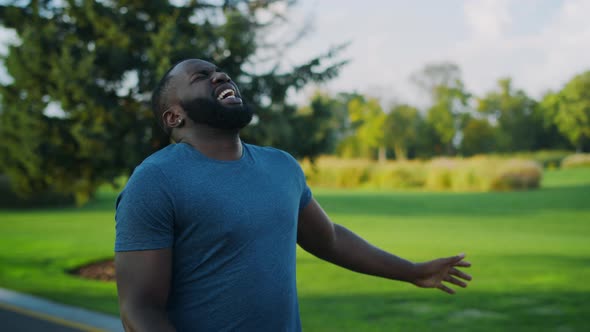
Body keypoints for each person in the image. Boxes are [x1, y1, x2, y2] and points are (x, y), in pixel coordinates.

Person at [114, 59, 472, 332]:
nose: (220, 77)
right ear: (174, 116)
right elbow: (140, 308)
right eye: (200, 78)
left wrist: (412, 271)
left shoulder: (281, 166)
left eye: (220, 72)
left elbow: (329, 239)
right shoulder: (155, 181)